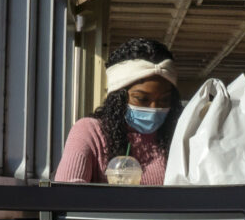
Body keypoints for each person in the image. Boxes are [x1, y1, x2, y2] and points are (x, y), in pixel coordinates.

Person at [55, 38, 181, 185]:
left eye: (164, 100)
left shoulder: (178, 135)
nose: (154, 109)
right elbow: (67, 193)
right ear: (118, 96)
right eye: (141, 99)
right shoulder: (90, 131)